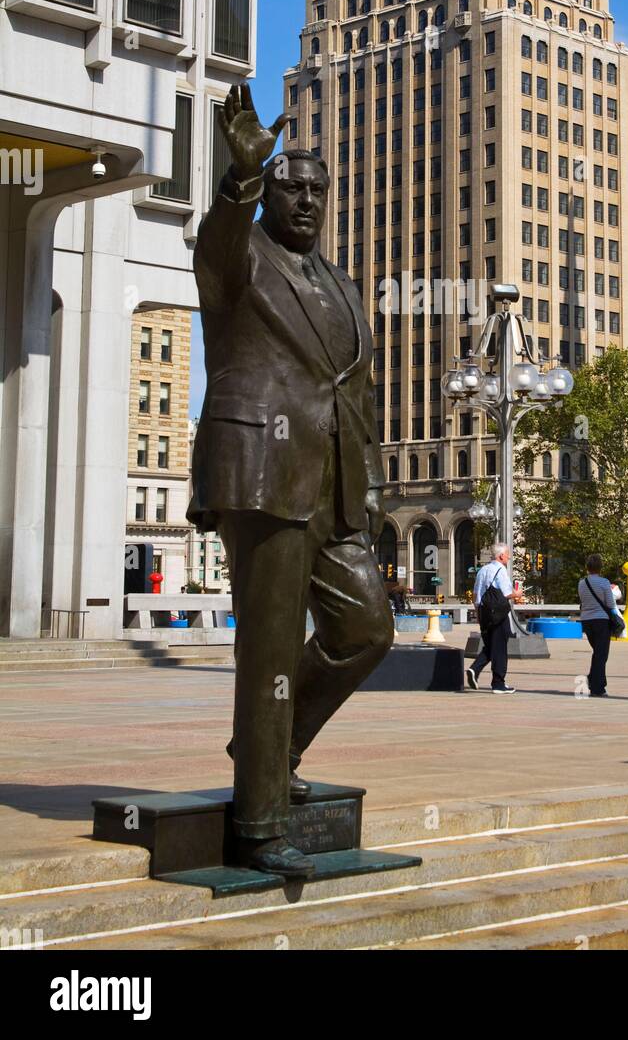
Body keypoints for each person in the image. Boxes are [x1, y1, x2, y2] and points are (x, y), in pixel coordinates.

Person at [188, 84, 393, 879]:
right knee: (268, 648)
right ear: (268, 192)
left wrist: (367, 488)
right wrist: (239, 178)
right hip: (263, 474)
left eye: (317, 190)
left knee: (366, 630)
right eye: (290, 187)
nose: (306, 200)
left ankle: (267, 748)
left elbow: (355, 396)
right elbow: (215, 244)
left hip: (335, 488)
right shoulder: (238, 259)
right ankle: (260, 818)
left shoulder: (341, 284)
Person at [466, 544, 517, 694]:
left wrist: (478, 614)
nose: (509, 557)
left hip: (484, 613)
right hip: (498, 615)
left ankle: (474, 669)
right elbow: (507, 593)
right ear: (501, 556)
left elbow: (476, 594)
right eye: (507, 554)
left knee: (490, 646)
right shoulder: (500, 570)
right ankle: (498, 683)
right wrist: (518, 593)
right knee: (500, 647)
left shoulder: (483, 570)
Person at [578, 554, 619, 698]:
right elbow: (610, 604)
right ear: (600, 567)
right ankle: (598, 687)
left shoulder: (582, 583)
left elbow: (583, 600)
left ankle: (593, 679)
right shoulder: (604, 582)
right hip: (601, 621)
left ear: (587, 567)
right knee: (601, 655)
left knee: (598, 654)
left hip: (587, 621)